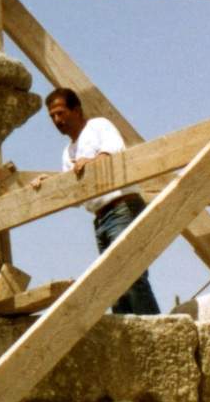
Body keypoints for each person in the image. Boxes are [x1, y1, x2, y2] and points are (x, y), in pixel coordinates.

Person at [35, 87, 160, 315]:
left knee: (129, 275)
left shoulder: (98, 126)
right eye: (52, 116)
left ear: (77, 110)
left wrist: (90, 162)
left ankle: (161, 336)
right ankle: (130, 343)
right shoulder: (68, 151)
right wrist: (52, 182)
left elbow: (110, 153)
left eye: (61, 113)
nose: (57, 120)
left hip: (122, 208)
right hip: (101, 218)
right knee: (112, 286)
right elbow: (73, 194)